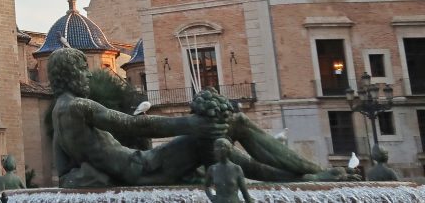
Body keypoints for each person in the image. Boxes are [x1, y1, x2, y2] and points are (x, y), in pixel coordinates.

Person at [48, 47, 350, 186]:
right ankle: (308, 175)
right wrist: (189, 123)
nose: (86, 77)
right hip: (144, 168)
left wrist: (85, 177)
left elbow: (63, 171)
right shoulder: (79, 106)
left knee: (218, 140)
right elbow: (133, 123)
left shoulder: (58, 114)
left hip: (137, 169)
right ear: (70, 75)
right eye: (81, 71)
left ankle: (301, 176)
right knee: (231, 126)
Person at [204, 139, 253, 203]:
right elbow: (206, 186)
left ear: (228, 149)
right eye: (216, 146)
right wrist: (212, 197)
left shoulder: (236, 169)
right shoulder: (212, 169)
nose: (218, 149)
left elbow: (244, 191)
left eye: (222, 146)